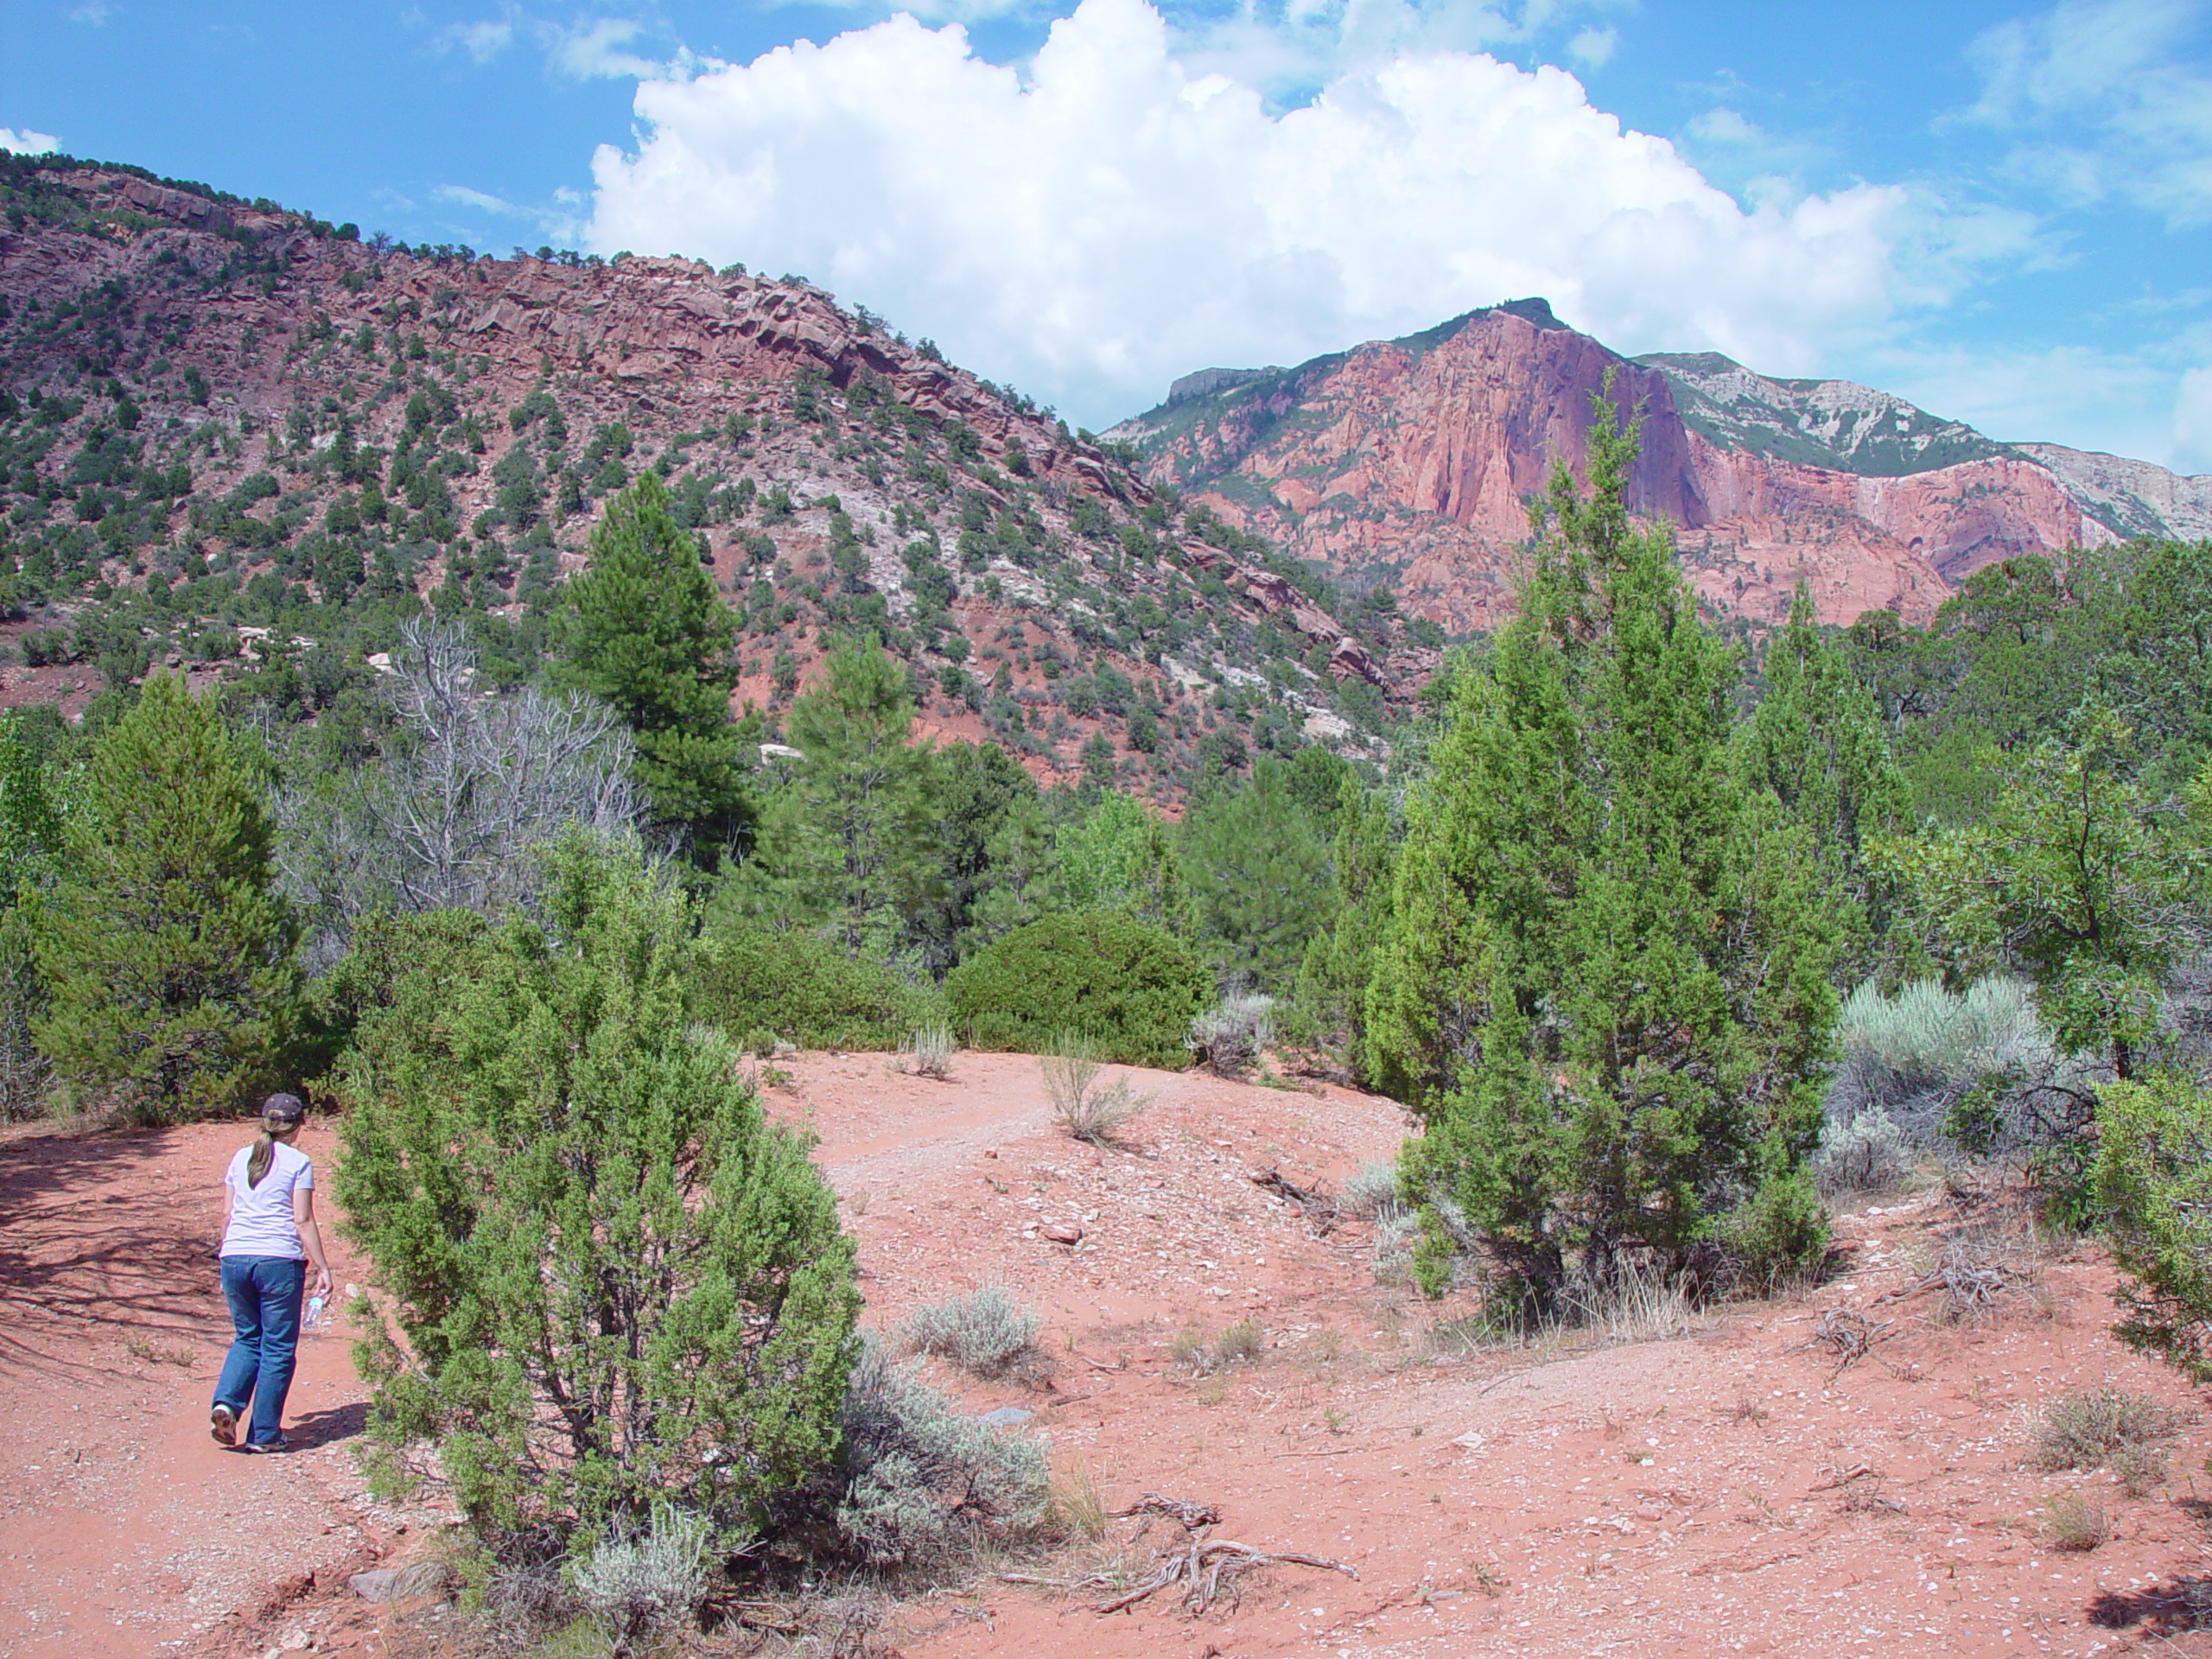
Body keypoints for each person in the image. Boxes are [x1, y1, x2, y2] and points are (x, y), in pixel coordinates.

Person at [209, 1092, 332, 1452]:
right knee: (277, 1347)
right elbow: (302, 1219)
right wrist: (323, 1267)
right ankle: (263, 1434)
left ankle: (226, 1404)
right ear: (300, 1124)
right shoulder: (298, 1161)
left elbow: (228, 1215)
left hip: (235, 1257)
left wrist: (226, 1251)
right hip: (278, 1261)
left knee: (247, 1337)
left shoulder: (239, 1158)